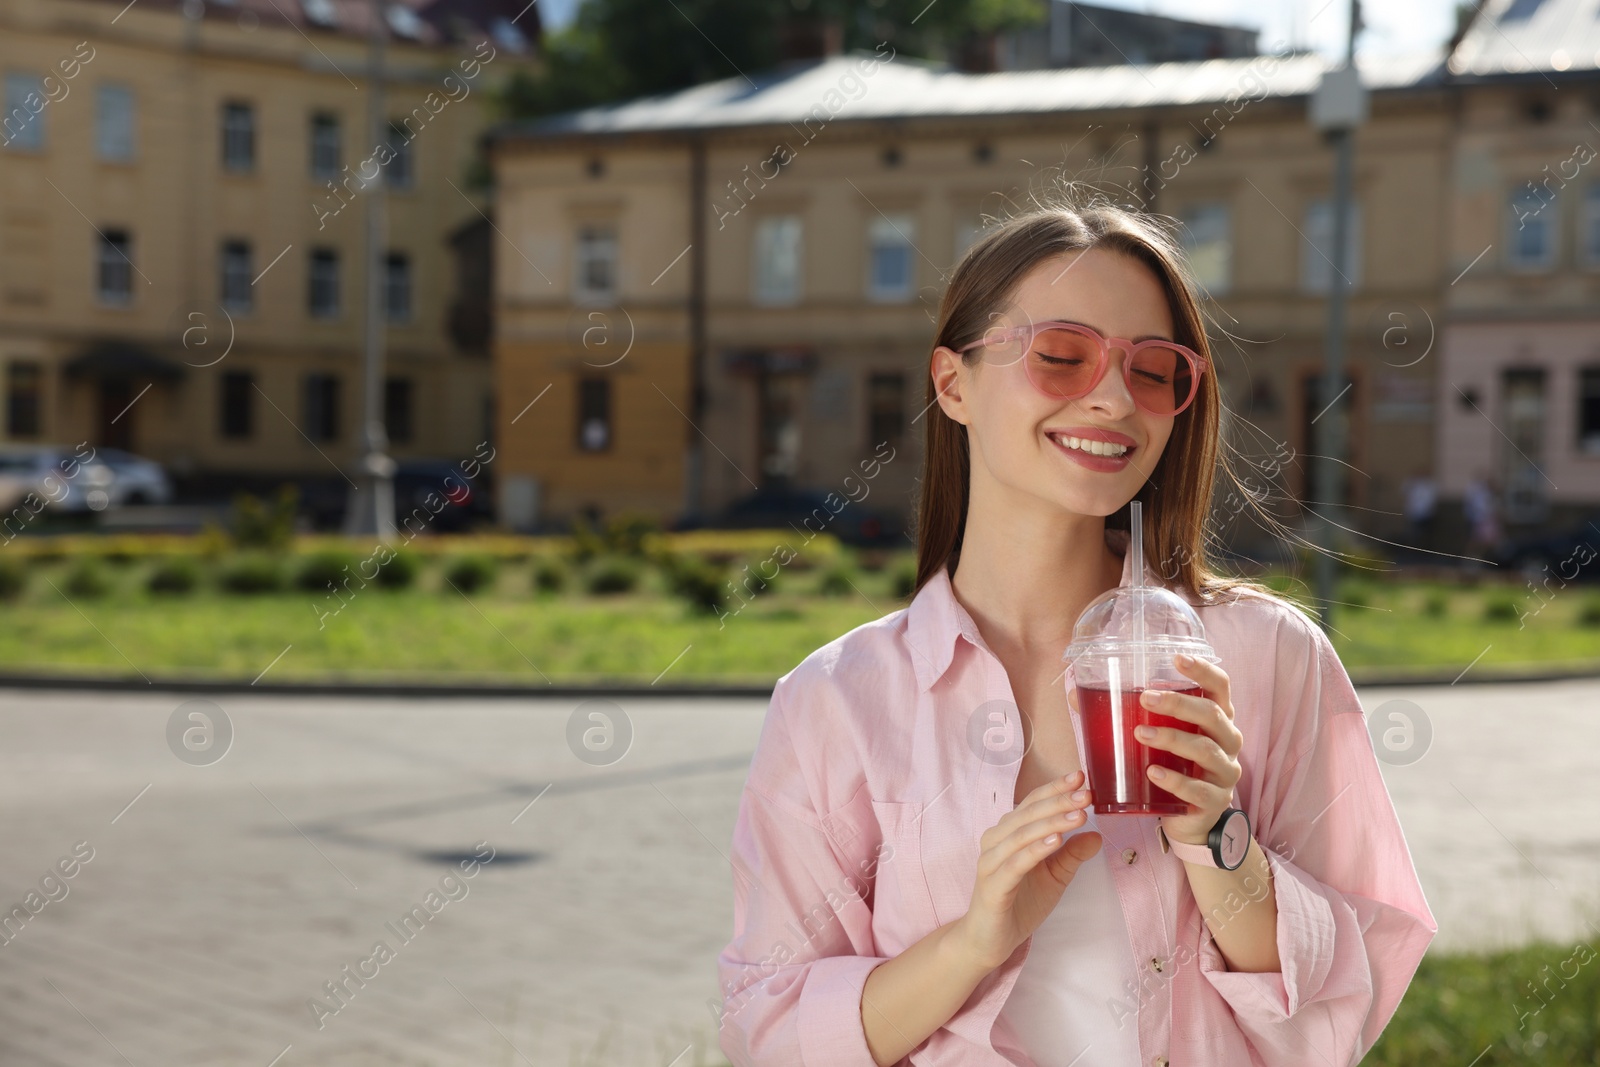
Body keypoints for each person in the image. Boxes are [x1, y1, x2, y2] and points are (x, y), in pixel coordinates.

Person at [715, 196, 1436, 1066]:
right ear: (952, 383)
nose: (1110, 399)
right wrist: (970, 944)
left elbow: (1344, 1002)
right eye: (1061, 356)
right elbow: (771, 1030)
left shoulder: (1267, 657)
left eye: (1154, 370)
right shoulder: (833, 702)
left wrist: (1216, 840)